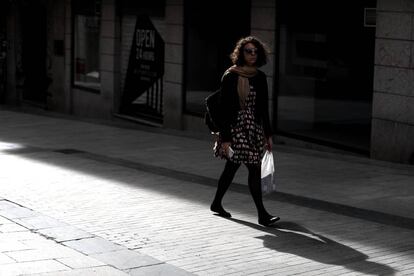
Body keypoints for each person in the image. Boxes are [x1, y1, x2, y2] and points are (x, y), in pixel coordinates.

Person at [210, 36, 280, 227]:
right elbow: (224, 109)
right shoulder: (231, 75)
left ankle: (216, 203)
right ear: (241, 53)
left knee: (231, 168)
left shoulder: (260, 77)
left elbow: (264, 108)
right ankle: (262, 215)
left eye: (256, 51)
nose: (252, 55)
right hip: (235, 128)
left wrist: (268, 135)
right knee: (254, 167)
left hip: (253, 129)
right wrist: (225, 138)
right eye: (248, 51)